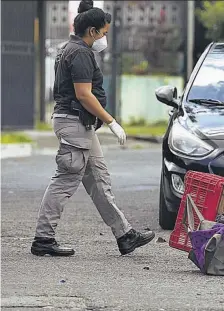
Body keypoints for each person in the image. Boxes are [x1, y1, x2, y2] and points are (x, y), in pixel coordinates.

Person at [31, 0, 155, 257]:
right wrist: (111, 121)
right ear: (92, 31)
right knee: (66, 179)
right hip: (74, 123)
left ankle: (125, 235)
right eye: (104, 33)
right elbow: (84, 94)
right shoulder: (80, 53)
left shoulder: (71, 49)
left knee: (99, 180)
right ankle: (43, 239)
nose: (104, 38)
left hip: (81, 125)